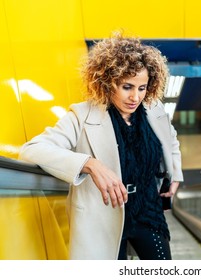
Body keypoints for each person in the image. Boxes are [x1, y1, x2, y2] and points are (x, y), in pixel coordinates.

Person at [18, 32, 184, 260]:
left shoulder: (154, 111)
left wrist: (175, 175)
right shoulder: (82, 114)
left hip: (148, 210)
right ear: (108, 82)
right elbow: (32, 149)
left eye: (142, 87)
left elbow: (171, 140)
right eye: (127, 86)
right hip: (104, 216)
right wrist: (89, 164)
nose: (135, 97)